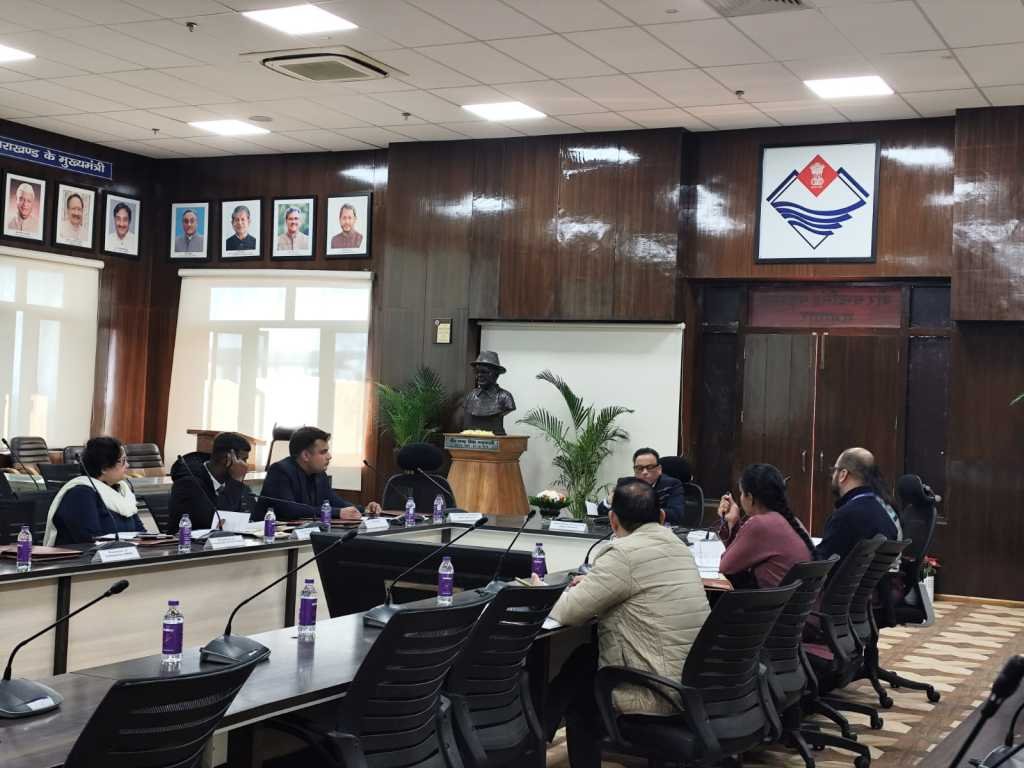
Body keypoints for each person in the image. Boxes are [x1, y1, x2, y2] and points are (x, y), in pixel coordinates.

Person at [542, 480, 709, 768]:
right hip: (694, 684)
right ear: (661, 517)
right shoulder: (680, 548)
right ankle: (540, 728)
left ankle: (536, 735)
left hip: (657, 691)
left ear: (612, 519)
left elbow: (568, 612)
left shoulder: (622, 554)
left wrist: (542, 590)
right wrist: (595, 582)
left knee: (580, 702)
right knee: (583, 658)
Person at [717, 463, 814, 589]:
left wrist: (733, 524)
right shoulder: (793, 521)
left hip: (771, 601)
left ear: (750, 497)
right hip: (792, 600)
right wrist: (733, 522)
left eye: (741, 493)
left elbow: (726, 567)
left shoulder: (759, 524)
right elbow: (737, 560)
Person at [260, 426, 381, 521]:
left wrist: (363, 509)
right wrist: (337, 512)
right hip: (267, 537)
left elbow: (335, 501)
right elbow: (290, 509)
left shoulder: (319, 474)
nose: (329, 456)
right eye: (323, 452)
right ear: (306, 455)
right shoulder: (280, 471)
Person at [43, 437, 145, 546]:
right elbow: (89, 540)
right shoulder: (80, 493)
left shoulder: (122, 491)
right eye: (123, 461)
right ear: (104, 468)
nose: (127, 465)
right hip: (84, 555)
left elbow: (141, 532)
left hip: (123, 553)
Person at [814, 447, 901, 562]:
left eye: (834, 470)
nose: (832, 475)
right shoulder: (885, 510)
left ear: (843, 475)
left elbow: (819, 563)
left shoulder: (845, 517)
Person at [169, 432, 256, 532]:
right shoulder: (189, 484)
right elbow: (218, 523)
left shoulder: (235, 486)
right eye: (244, 460)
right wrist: (236, 481)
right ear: (227, 459)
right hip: (187, 541)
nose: (246, 466)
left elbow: (246, 519)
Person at [597, 447, 685, 526]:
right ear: (634, 470)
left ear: (659, 469)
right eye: (639, 468)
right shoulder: (625, 484)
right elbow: (602, 512)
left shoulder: (672, 485)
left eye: (650, 467)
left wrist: (638, 512)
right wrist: (608, 502)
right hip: (628, 532)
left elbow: (676, 515)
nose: (644, 472)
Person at [460, 351, 516, 435]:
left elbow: (509, 408)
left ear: (496, 374)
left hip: (496, 438)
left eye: (484, 372)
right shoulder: (470, 396)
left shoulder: (505, 397)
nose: (479, 375)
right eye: (477, 372)